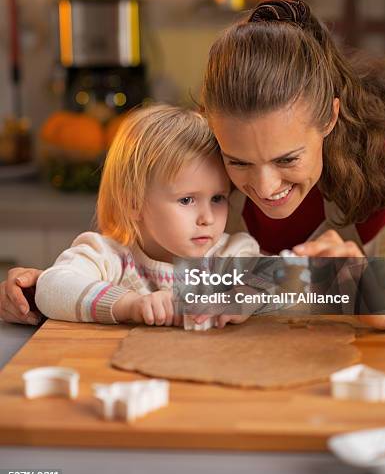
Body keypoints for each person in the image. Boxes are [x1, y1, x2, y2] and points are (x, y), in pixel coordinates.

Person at [2, 0, 385, 329]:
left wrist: (367, 283)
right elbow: (195, 283)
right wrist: (56, 290)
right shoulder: (203, 156)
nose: (263, 186)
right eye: (237, 161)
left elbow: (282, 287)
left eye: (287, 158)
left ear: (330, 117)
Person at [26, 104, 270, 328]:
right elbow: (50, 288)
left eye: (218, 198)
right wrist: (129, 305)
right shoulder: (110, 256)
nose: (207, 218)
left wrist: (246, 295)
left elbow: (291, 280)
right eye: (187, 200)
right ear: (133, 202)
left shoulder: (228, 255)